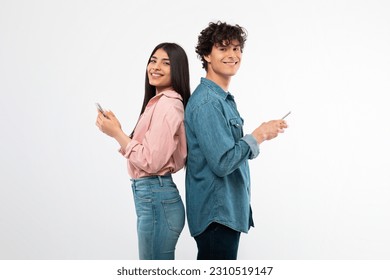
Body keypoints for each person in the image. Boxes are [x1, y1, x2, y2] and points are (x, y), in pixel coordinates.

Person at [184, 21, 288, 260]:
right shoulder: (208, 102)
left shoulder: (222, 99)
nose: (232, 55)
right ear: (206, 55)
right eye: (223, 48)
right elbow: (222, 163)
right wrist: (258, 135)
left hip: (225, 212)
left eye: (237, 48)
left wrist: (259, 136)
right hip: (216, 215)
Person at [96, 42, 190, 260]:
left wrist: (117, 133)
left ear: (177, 69)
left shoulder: (168, 104)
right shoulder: (157, 102)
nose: (155, 67)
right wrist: (120, 133)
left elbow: (152, 161)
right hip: (153, 198)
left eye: (165, 63)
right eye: (153, 60)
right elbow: (148, 152)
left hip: (156, 199)